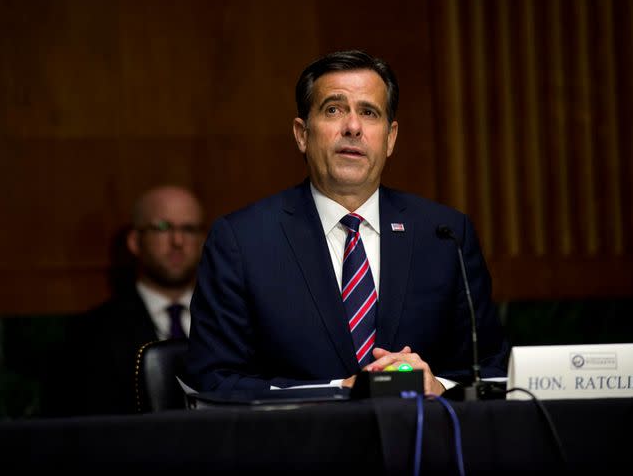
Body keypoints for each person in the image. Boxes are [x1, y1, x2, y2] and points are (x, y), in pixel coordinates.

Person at [184, 50, 508, 396]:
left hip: (419, 443)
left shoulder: (445, 235)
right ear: (302, 134)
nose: (353, 127)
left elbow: (492, 369)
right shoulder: (242, 240)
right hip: (299, 446)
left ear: (390, 138)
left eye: (369, 113)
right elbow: (213, 380)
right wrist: (337, 390)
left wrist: (438, 386)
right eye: (333, 109)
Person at [50, 185, 205, 415]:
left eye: (189, 229)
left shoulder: (237, 322)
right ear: (135, 241)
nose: (178, 241)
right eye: (163, 227)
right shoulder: (92, 332)